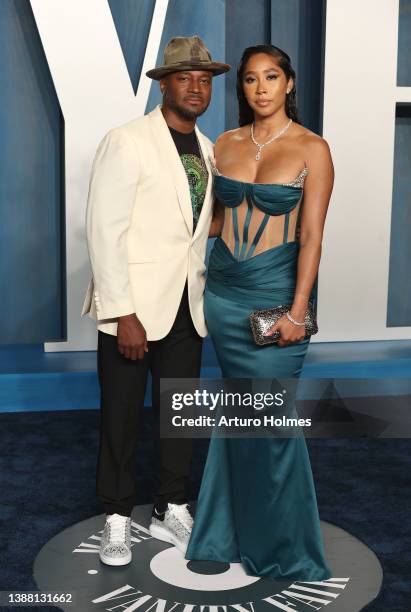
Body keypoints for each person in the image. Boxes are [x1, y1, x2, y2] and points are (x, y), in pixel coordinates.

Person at [185, 44, 334, 581]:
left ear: (289, 83)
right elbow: (215, 223)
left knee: (271, 425)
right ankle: (227, 530)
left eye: (272, 77)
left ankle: (283, 547)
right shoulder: (223, 143)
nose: (261, 88)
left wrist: (298, 311)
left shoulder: (312, 149)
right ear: (242, 89)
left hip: (276, 300)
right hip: (224, 296)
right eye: (250, 80)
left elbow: (313, 236)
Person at [81, 35, 230, 566]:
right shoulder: (127, 140)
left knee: (179, 415)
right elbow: (104, 230)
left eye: (205, 80)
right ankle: (117, 517)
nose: (196, 88)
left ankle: (171, 507)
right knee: (120, 417)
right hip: (134, 311)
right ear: (163, 84)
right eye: (185, 78)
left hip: (188, 305)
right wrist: (123, 313)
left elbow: (197, 228)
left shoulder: (211, 150)